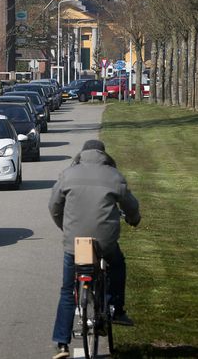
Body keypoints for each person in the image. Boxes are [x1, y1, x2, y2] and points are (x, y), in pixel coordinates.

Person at [48, 139, 141, 359]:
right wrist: (134, 219)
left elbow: (54, 206)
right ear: (103, 155)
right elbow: (131, 206)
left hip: (76, 242)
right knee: (117, 264)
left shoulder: (68, 174)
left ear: (82, 155)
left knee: (67, 290)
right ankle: (116, 308)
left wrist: (65, 226)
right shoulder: (113, 175)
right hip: (104, 242)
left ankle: (62, 343)